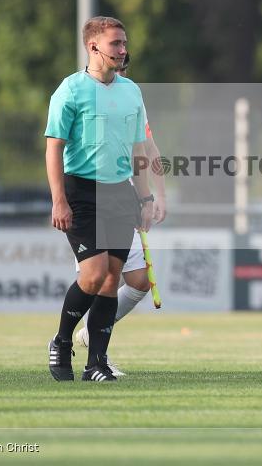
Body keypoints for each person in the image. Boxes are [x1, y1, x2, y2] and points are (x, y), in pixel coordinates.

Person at [45, 16, 155, 383]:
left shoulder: (131, 91)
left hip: (120, 191)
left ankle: (97, 363)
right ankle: (61, 341)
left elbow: (139, 147)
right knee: (92, 276)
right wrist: (59, 200)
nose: (123, 50)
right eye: (115, 44)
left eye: (124, 43)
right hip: (81, 191)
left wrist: (146, 196)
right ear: (93, 47)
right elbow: (54, 148)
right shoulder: (70, 90)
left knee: (111, 280)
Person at [73, 53, 168, 377]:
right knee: (102, 279)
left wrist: (156, 196)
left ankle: (91, 335)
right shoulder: (86, 95)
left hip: (126, 199)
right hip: (96, 199)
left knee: (138, 281)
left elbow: (149, 151)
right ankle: (94, 354)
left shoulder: (130, 99)